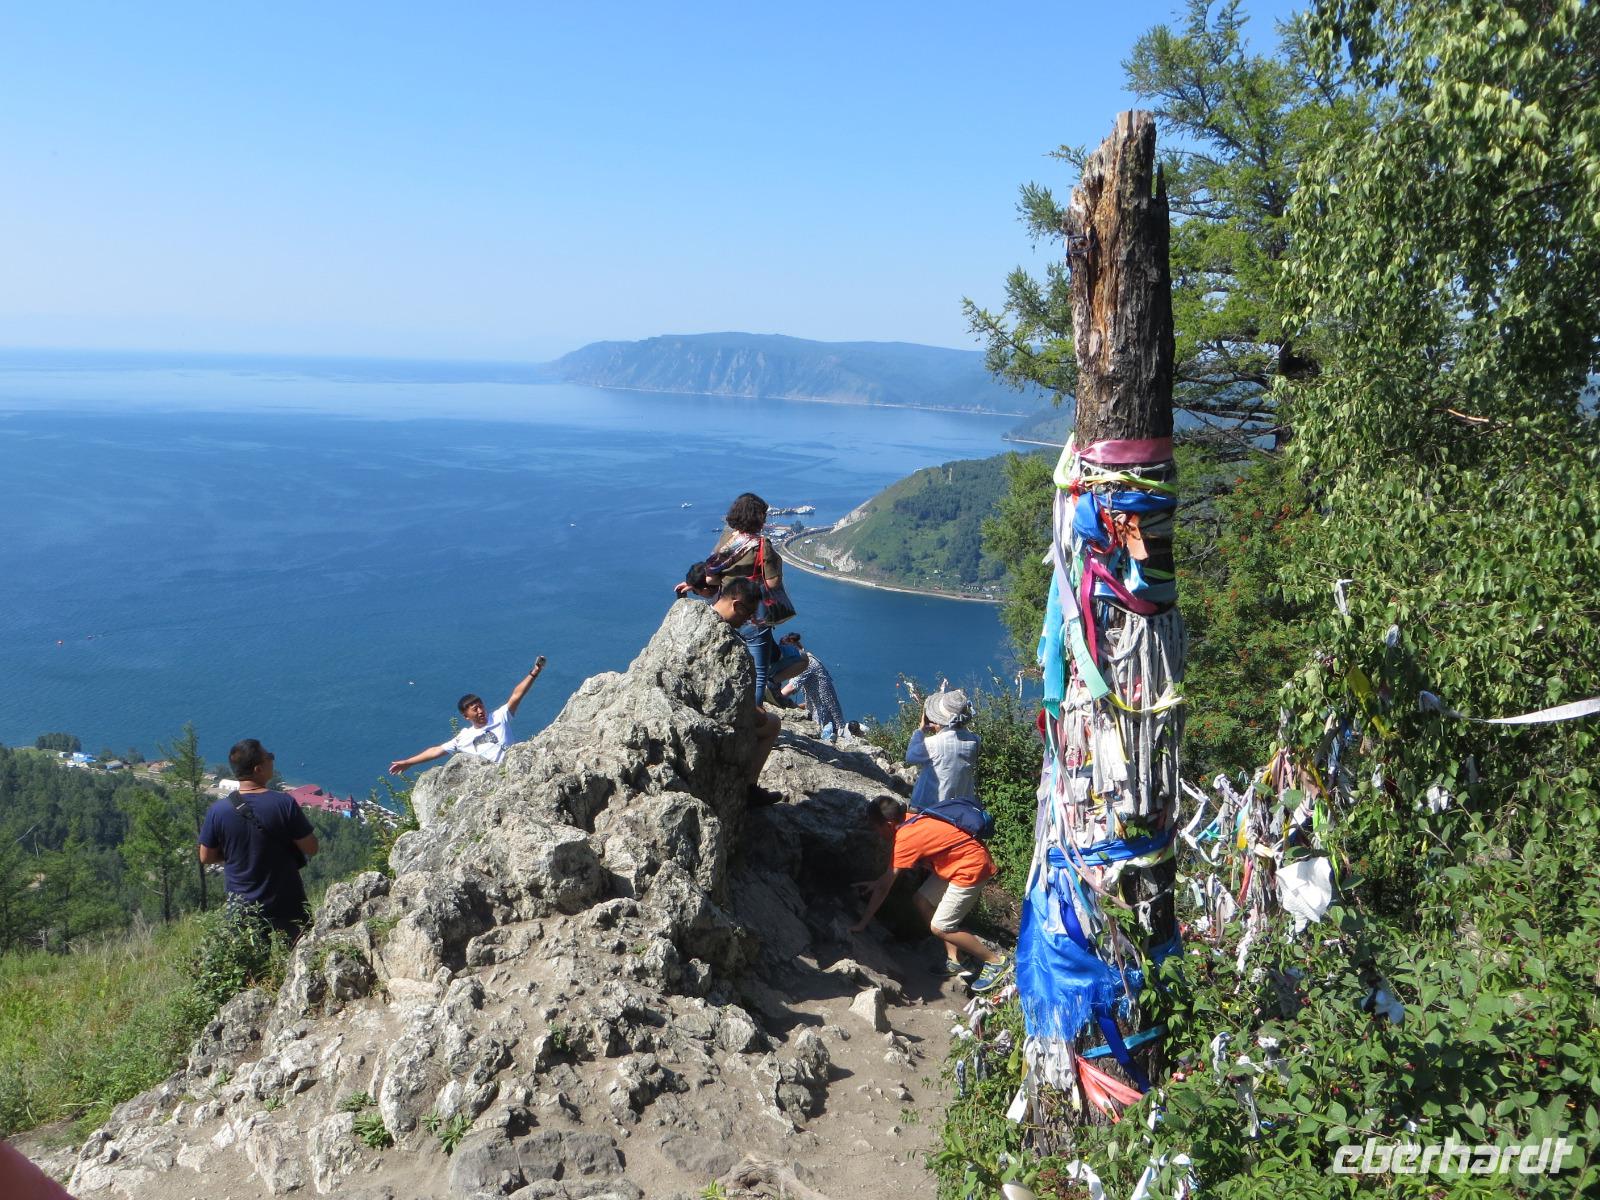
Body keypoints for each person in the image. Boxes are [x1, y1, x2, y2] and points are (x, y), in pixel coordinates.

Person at [851, 792, 1010, 990]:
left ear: (889, 824)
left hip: (970, 868)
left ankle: (996, 961)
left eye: (876, 827)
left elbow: (885, 887)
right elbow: (886, 879)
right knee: (922, 900)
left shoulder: (905, 839)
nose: (875, 831)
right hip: (956, 863)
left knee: (940, 926)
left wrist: (862, 923)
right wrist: (878, 882)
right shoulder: (910, 819)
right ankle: (956, 959)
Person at [198, 739, 319, 940]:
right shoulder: (283, 804)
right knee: (302, 957)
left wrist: (237, 853)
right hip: (287, 900)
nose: (272, 759)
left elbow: (205, 856)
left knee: (250, 966)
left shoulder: (218, 811)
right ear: (258, 769)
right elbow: (312, 847)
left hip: (242, 904)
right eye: (269, 757)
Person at [388, 656, 547, 774]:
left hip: (517, 767)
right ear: (466, 716)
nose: (480, 711)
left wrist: (534, 672)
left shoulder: (500, 716)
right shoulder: (463, 738)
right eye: (475, 710)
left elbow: (517, 695)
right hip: (492, 778)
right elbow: (436, 751)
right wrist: (409, 762)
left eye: (481, 707)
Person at [709, 577, 784, 806]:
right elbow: (719, 694)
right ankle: (748, 788)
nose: (747, 621)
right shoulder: (725, 639)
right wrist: (753, 712)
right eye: (747, 613)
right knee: (772, 723)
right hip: (718, 723)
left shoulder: (692, 616)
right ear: (737, 605)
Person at [906, 688, 979, 812]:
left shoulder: (932, 744)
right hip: (959, 808)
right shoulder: (975, 741)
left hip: (928, 807)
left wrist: (920, 730)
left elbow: (910, 757)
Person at [777, 631, 847, 742]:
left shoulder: (807, 664)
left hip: (824, 715)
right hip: (826, 712)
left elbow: (789, 688)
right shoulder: (809, 658)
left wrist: (772, 696)